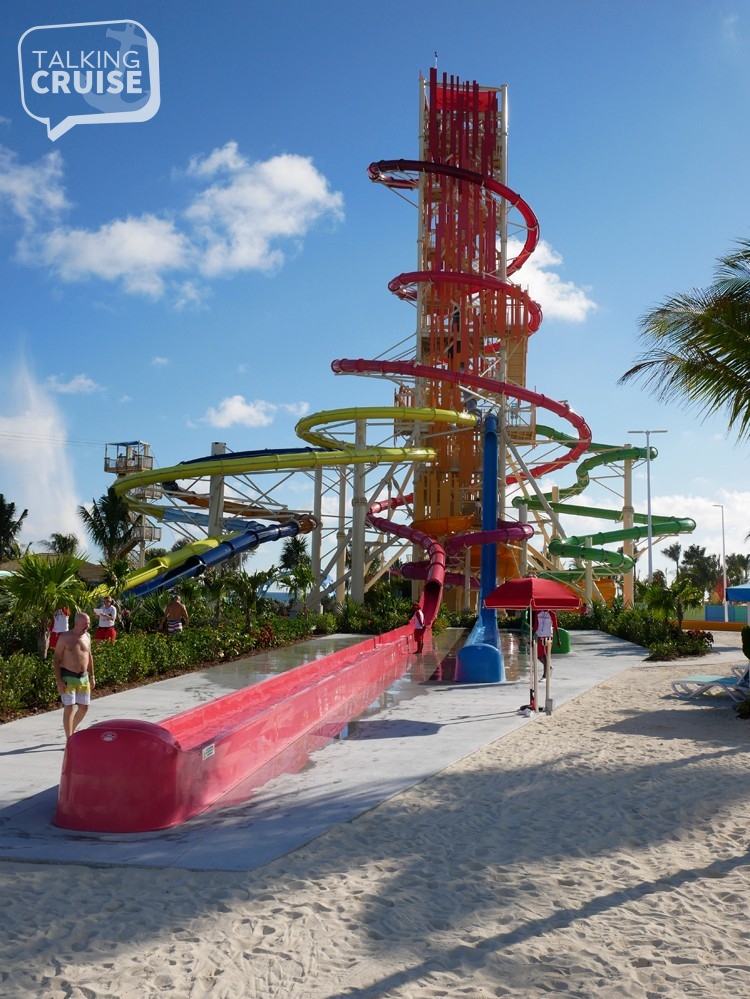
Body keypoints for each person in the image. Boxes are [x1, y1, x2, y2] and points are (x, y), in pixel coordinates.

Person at [52, 612, 95, 740]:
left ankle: (72, 731)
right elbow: (56, 659)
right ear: (76, 623)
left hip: (83, 677)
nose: (87, 626)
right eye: (85, 624)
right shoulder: (65, 637)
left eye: (88, 624)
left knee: (84, 707)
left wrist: (92, 676)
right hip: (68, 677)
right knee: (69, 708)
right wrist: (59, 681)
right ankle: (69, 739)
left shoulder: (87, 636)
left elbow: (89, 656)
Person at [534, 608, 559, 679]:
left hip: (548, 636)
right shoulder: (538, 612)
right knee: (538, 656)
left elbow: (555, 626)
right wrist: (532, 636)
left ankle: (544, 675)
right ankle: (549, 667)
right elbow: (535, 625)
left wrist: (558, 639)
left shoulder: (552, 613)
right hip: (540, 636)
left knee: (545, 655)